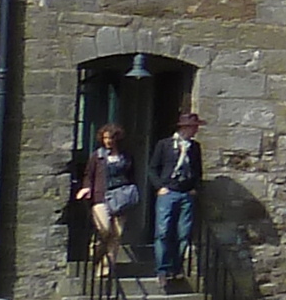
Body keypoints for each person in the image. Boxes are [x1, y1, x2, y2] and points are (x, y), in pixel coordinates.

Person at [152, 109, 206, 286]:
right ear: (185, 128)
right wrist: (160, 186)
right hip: (168, 192)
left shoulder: (195, 147)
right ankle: (163, 269)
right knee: (163, 232)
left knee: (184, 234)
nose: (195, 130)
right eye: (193, 127)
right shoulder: (165, 145)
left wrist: (194, 188)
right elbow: (152, 167)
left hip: (186, 193)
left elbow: (198, 170)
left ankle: (176, 268)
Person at [88, 126, 140, 280]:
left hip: (120, 197)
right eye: (105, 138)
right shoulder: (97, 156)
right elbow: (88, 175)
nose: (108, 141)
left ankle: (106, 268)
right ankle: (95, 249)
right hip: (101, 197)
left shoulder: (126, 157)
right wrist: (86, 189)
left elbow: (132, 175)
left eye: (111, 138)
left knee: (117, 234)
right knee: (104, 228)